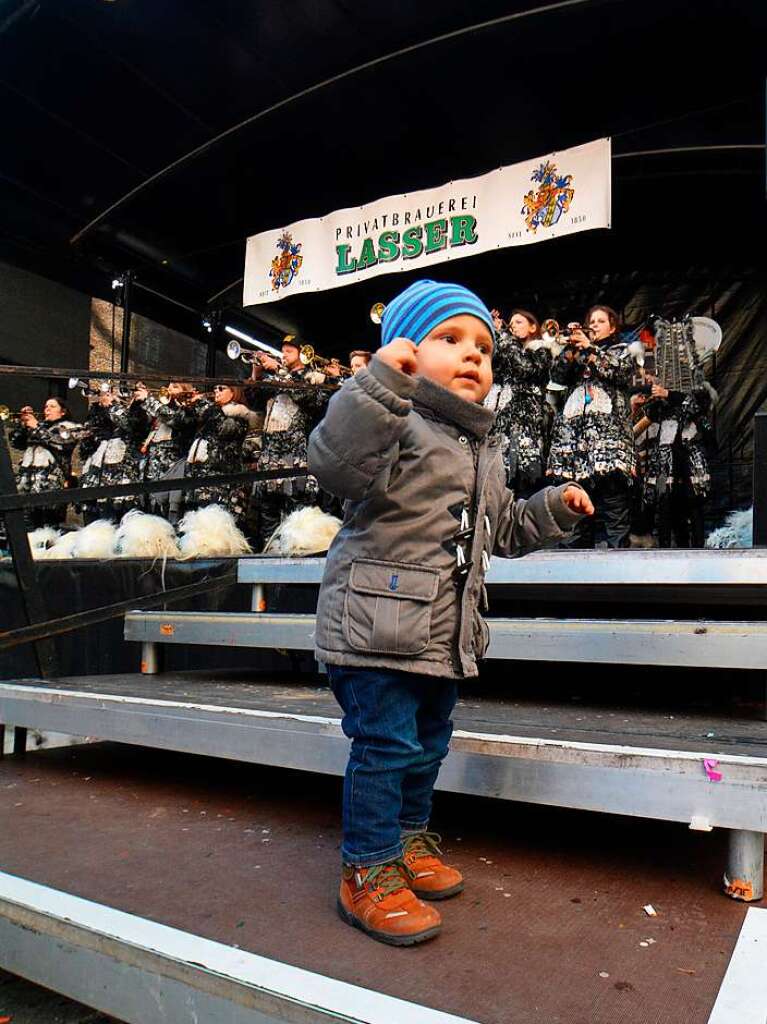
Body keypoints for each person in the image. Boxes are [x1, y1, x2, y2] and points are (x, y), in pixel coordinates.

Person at [308, 279, 592, 946]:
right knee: (384, 748)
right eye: (449, 339)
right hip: (374, 627)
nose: (471, 356)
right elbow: (335, 465)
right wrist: (378, 386)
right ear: (403, 349)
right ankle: (367, 870)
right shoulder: (387, 419)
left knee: (426, 745)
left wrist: (551, 508)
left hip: (441, 634)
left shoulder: (480, 448)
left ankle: (406, 843)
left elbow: (502, 531)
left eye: (483, 348)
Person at [547, 305, 639, 548]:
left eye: (600, 321)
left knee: (614, 513)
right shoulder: (576, 354)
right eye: (592, 321)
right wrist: (569, 348)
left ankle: (620, 574)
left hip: (608, 445)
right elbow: (556, 376)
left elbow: (620, 373)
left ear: (613, 326)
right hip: (575, 446)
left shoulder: (624, 351)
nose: (595, 325)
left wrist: (590, 348)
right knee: (574, 518)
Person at [247, 335, 334, 548]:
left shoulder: (312, 377)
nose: (283, 355)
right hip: (270, 459)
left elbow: (312, 402)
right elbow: (253, 401)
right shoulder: (275, 379)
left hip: (296, 458)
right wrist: (256, 374)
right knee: (268, 517)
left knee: (298, 517)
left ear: (303, 354)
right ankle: (269, 560)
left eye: (289, 351)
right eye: (282, 351)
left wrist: (278, 370)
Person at [486, 309, 556, 496]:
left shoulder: (541, 350)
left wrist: (502, 334)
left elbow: (526, 368)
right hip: (501, 427)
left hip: (526, 428)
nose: (512, 326)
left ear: (533, 327)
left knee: (525, 487)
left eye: (518, 322)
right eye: (511, 322)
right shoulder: (507, 348)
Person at [182, 383, 259, 524]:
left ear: (233, 392)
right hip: (199, 477)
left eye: (221, 388)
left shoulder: (239, 414)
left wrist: (203, 403)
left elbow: (223, 429)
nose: (216, 391)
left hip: (222, 481)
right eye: (215, 388)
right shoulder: (212, 412)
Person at [79, 385, 150, 523]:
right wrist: (98, 412)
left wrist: (112, 406)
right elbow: (85, 448)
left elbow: (130, 425)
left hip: (125, 481)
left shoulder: (139, 412)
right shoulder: (104, 414)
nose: (110, 395)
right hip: (101, 479)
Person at [10, 397, 83, 528]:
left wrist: (36, 425)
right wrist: (23, 424)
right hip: (27, 487)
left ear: (63, 411)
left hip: (50, 488)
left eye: (52, 406)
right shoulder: (39, 427)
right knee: (26, 529)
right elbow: (16, 443)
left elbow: (59, 440)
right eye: (45, 406)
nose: (47, 409)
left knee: (48, 530)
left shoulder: (70, 427)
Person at [137, 382, 198, 516]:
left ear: (185, 392)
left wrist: (149, 400)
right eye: (169, 386)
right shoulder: (159, 412)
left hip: (173, 472)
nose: (169, 389)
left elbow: (175, 420)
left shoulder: (189, 411)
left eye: (175, 386)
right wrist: (135, 404)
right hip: (152, 475)